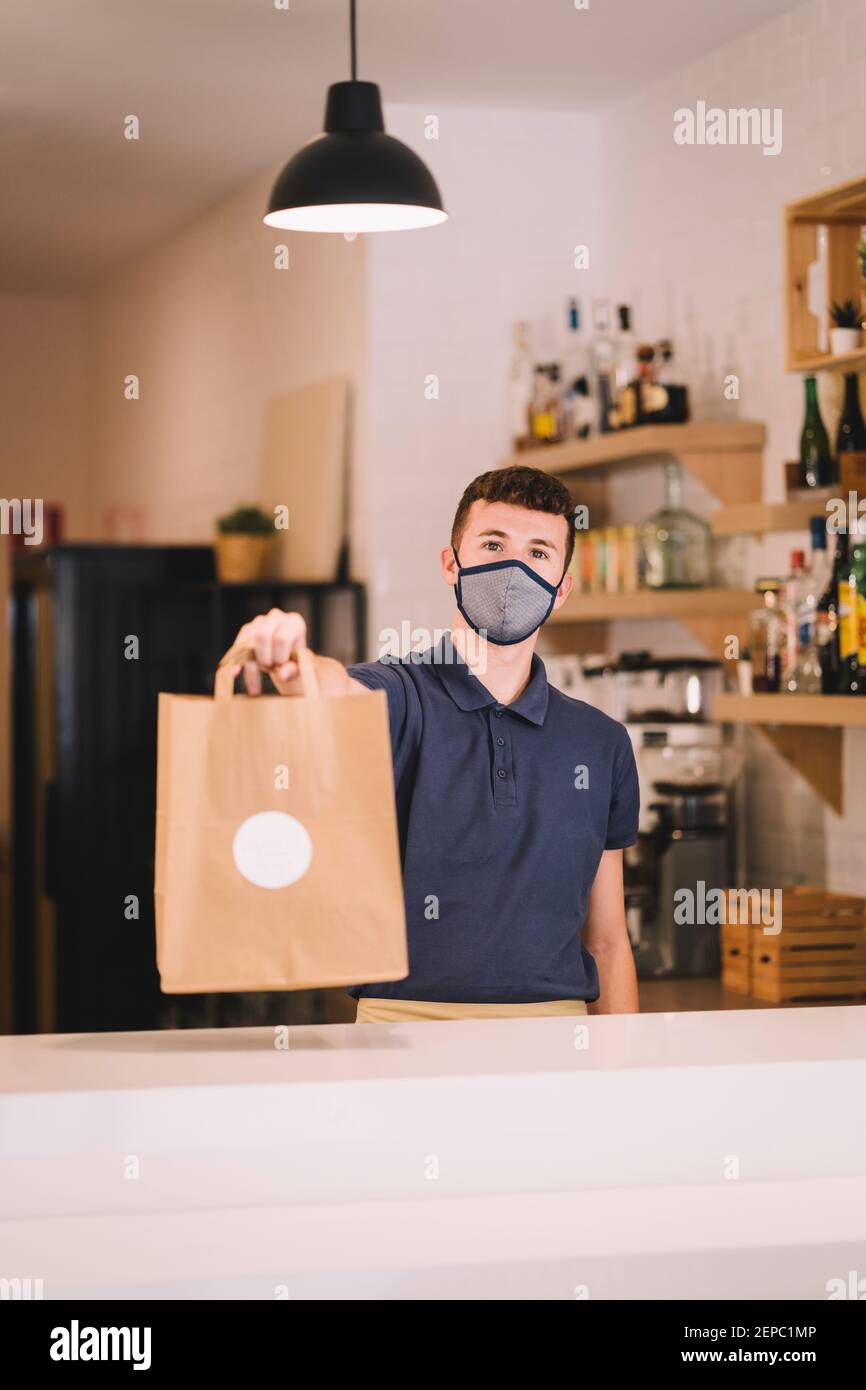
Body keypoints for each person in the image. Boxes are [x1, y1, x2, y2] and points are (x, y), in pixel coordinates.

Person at [228, 465, 639, 1023]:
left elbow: (609, 940)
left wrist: (623, 1075)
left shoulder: (601, 743)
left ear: (561, 587)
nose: (514, 568)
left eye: (539, 552)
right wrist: (289, 663)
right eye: (493, 544)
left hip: (558, 1034)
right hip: (401, 1029)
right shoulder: (400, 695)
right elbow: (335, 689)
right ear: (452, 563)